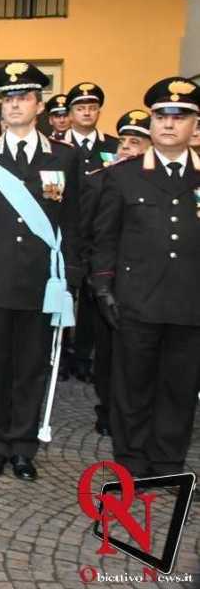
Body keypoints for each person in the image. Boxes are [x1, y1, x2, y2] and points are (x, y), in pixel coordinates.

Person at [0, 61, 81, 481]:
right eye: (7, 98)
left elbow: (75, 220)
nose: (13, 105)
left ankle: (24, 446)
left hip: (42, 280)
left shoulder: (63, 157)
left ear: (39, 104)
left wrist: (73, 275)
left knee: (32, 365)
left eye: (22, 98)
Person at [91, 78, 200, 478]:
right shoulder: (123, 176)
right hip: (136, 299)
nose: (169, 124)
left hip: (191, 302)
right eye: (161, 116)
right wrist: (103, 286)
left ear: (196, 126)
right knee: (132, 386)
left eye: (180, 116)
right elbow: (105, 238)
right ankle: (132, 460)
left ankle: (168, 463)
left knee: (179, 388)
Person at [78, 109, 151, 438]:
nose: (125, 148)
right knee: (107, 352)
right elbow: (87, 228)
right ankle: (108, 408)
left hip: (149, 283)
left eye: (134, 142)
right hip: (109, 279)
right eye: (122, 141)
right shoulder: (100, 178)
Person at [64, 82, 118, 384]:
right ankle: (59, 352)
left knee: (92, 298)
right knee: (61, 294)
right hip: (67, 234)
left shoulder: (112, 147)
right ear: (70, 113)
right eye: (80, 107)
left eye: (92, 107)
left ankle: (83, 355)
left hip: (100, 235)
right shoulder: (56, 146)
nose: (87, 112)